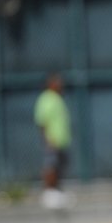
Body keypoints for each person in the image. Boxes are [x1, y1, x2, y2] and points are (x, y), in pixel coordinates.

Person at [34, 73, 73, 210]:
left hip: (61, 141)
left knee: (59, 167)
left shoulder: (58, 98)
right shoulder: (46, 99)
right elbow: (42, 122)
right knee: (50, 166)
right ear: (50, 83)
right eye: (57, 81)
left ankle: (56, 192)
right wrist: (48, 140)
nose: (60, 84)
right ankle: (48, 193)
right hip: (52, 141)